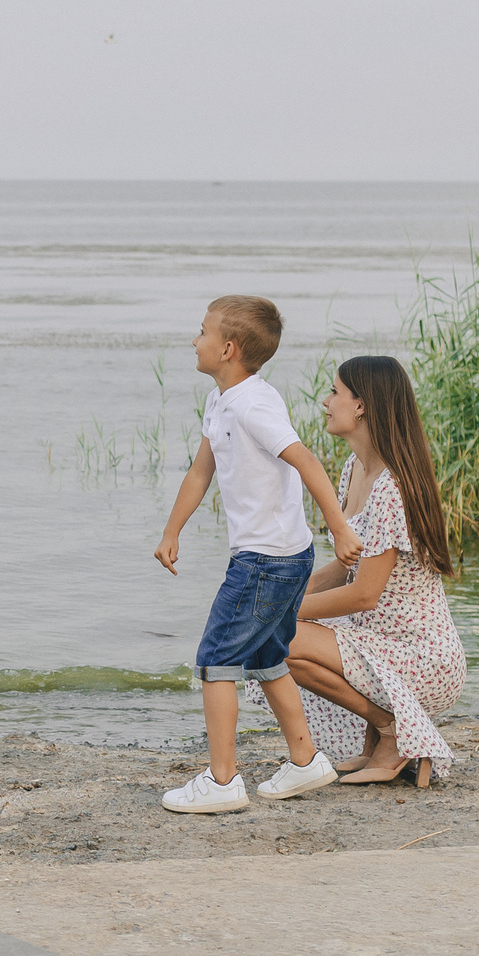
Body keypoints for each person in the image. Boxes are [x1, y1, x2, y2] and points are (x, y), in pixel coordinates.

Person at [152, 296, 364, 813]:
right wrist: (171, 530)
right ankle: (306, 760)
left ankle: (223, 782)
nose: (193, 340)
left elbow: (305, 459)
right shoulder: (221, 400)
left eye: (201, 332)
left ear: (226, 349)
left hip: (267, 561)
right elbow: (202, 471)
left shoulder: (254, 404)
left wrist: (338, 527)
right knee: (267, 657)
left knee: (217, 657)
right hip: (279, 558)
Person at [284, 356, 465, 787]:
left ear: (361, 406)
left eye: (334, 392)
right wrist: (285, 599)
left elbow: (364, 593)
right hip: (380, 640)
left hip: (421, 655)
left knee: (282, 637)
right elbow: (347, 569)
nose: (326, 402)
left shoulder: (392, 487)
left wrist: (289, 614)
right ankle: (379, 740)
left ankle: (393, 732)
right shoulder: (354, 471)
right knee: (273, 628)